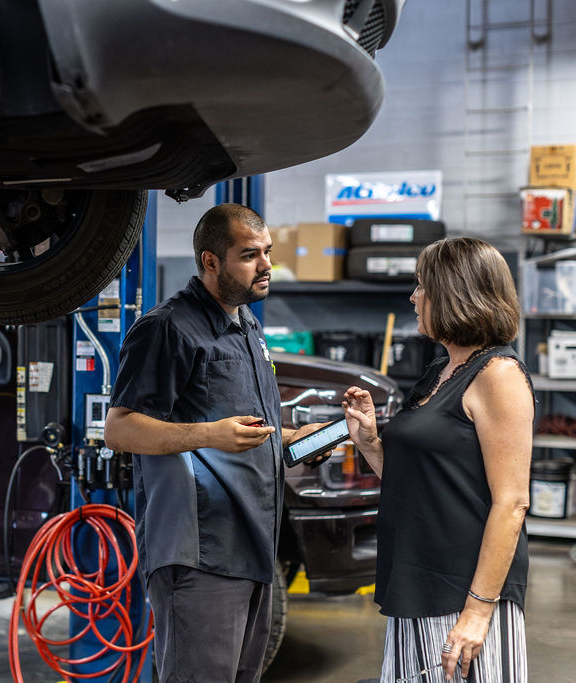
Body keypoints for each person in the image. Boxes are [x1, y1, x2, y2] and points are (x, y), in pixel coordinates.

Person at [103, 203, 325, 683]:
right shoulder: (167, 327)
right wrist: (209, 435)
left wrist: (294, 438)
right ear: (210, 261)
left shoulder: (248, 326)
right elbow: (119, 428)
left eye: (267, 252)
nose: (266, 265)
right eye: (249, 255)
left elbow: (242, 426)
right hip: (201, 553)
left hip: (254, 545)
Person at [342, 237, 534, 683]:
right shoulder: (440, 372)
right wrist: (369, 442)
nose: (414, 297)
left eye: (422, 286)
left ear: (455, 293)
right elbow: (418, 484)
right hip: (414, 583)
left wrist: (478, 612)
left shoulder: (498, 376)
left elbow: (512, 503)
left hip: (462, 594)